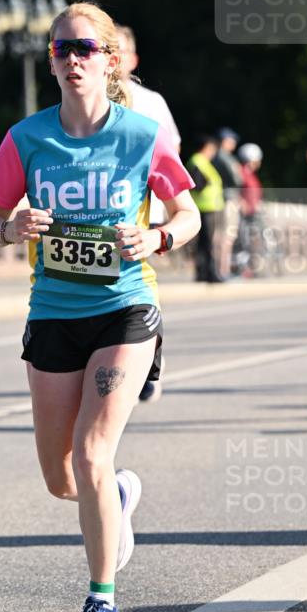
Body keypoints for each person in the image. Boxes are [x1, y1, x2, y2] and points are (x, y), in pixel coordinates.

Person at [0, 2, 199, 612]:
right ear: (50, 60)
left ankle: (103, 607)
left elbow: (187, 215)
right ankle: (117, 501)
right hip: (52, 313)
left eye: (83, 48)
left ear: (109, 59)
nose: (71, 60)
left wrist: (157, 236)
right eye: (60, 50)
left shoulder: (140, 135)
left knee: (93, 453)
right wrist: (8, 227)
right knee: (61, 476)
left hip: (124, 309)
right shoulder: (26, 138)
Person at [116, 24, 182, 403]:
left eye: (122, 50)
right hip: (103, 211)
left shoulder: (151, 101)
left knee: (141, 281)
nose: (116, 57)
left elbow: (170, 150)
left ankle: (148, 356)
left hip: (147, 208)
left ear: (133, 59)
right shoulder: (83, 102)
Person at [186, 134, 225, 283]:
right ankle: (209, 273)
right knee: (207, 243)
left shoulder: (201, 161)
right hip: (204, 207)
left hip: (207, 207)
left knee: (205, 243)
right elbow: (196, 184)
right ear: (207, 147)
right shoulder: (197, 161)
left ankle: (204, 272)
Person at [213, 126, 243, 278]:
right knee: (227, 235)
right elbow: (238, 179)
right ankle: (224, 270)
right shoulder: (226, 158)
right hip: (229, 199)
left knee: (219, 235)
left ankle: (218, 269)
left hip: (217, 200)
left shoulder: (213, 157)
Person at [234, 142, 264, 277]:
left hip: (253, 212)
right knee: (244, 240)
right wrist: (242, 202)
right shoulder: (242, 172)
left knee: (252, 240)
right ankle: (245, 269)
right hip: (245, 212)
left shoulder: (250, 173)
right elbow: (237, 189)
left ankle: (252, 267)